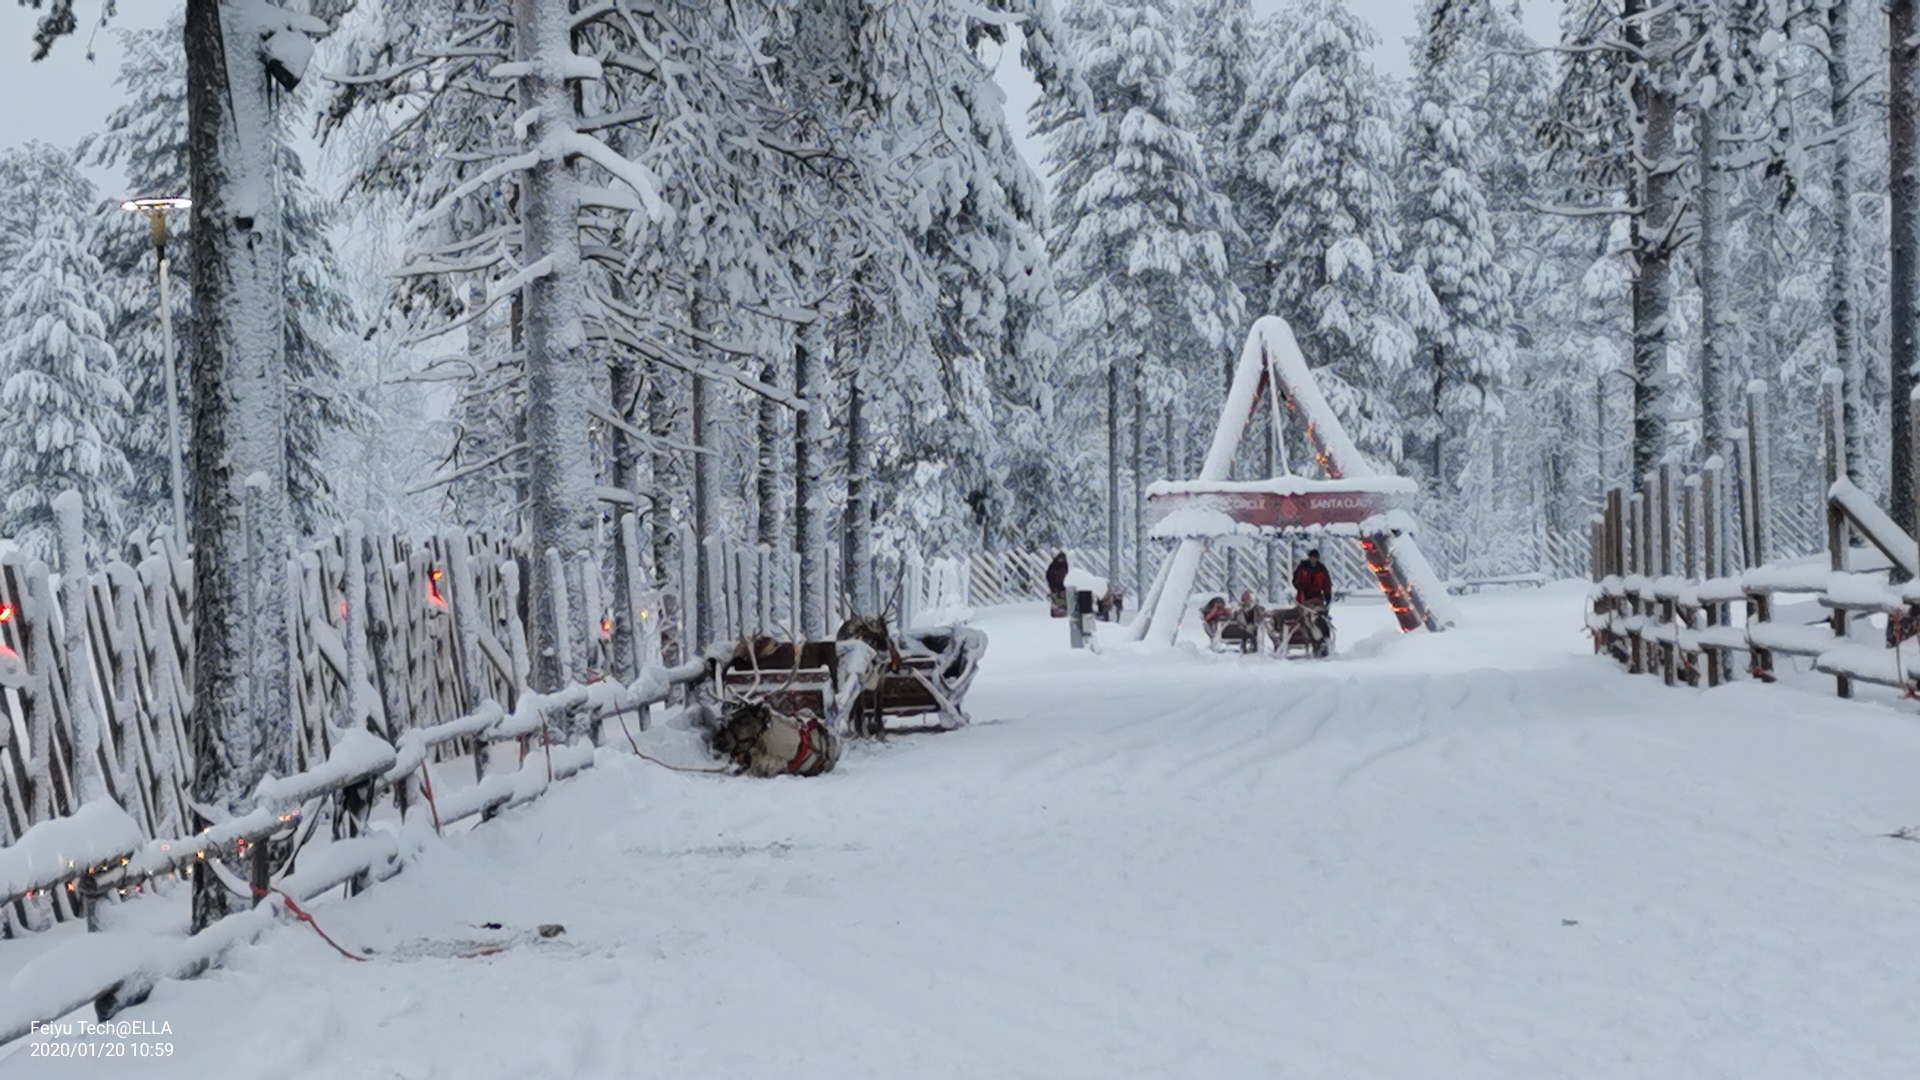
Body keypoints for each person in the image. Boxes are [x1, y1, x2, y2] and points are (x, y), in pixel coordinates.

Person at [1046, 551, 1070, 617]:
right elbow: (1049, 576)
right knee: (1055, 599)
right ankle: (1055, 612)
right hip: (1054, 585)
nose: (1060, 560)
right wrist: (1052, 586)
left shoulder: (1065, 566)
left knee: (1063, 599)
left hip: (1063, 586)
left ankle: (1063, 611)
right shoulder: (1053, 566)